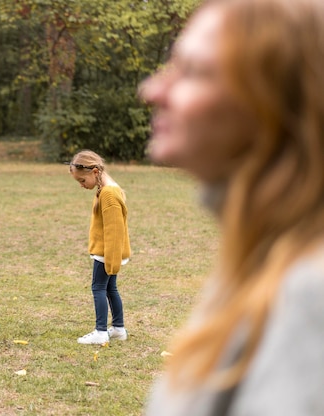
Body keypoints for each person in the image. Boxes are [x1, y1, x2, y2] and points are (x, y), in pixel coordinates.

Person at [140, 0, 324, 414]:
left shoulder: (311, 295)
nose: (152, 91)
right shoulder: (263, 260)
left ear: (277, 103)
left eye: (193, 72)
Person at [67, 150, 131, 345]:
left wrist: (111, 262)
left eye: (82, 180)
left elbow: (114, 231)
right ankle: (118, 328)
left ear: (95, 171)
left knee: (99, 288)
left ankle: (101, 331)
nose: (81, 185)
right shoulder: (107, 189)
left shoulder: (109, 194)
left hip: (106, 254)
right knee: (111, 288)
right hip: (108, 253)